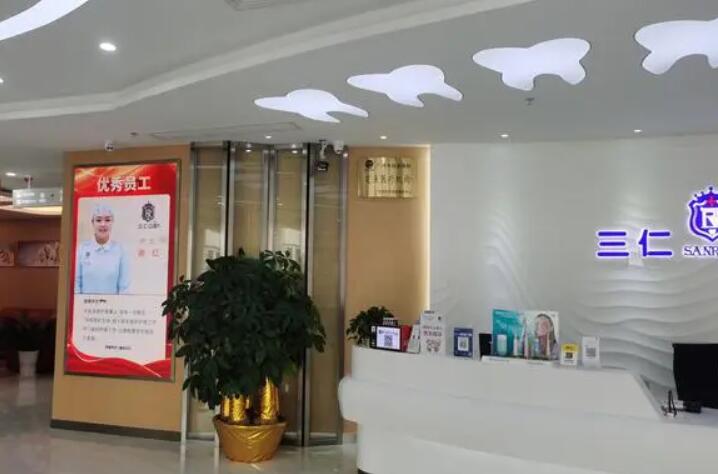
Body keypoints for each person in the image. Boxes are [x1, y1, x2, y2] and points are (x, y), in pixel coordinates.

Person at [75, 204, 130, 294]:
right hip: (86, 303)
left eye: (107, 220)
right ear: (92, 222)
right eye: (98, 220)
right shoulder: (82, 249)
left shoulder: (120, 251)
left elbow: (124, 287)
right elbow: (76, 283)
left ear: (112, 222)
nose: (103, 224)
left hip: (112, 303)